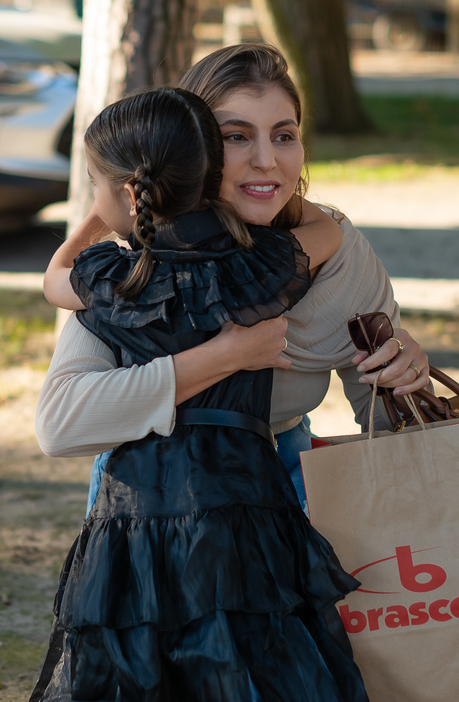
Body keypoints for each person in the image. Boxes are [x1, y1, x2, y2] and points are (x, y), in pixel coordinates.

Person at [30, 87, 368, 701]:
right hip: (246, 498)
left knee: (141, 658)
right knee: (257, 653)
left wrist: (105, 219)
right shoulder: (261, 269)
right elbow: (329, 232)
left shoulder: (117, 279)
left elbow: (56, 279)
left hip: (140, 511)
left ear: (130, 193)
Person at [36, 43, 431, 513]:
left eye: (284, 136)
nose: (267, 160)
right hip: (153, 499)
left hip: (290, 482)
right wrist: (222, 357)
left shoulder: (336, 248)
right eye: (237, 136)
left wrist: (408, 375)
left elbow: (390, 423)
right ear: (190, 148)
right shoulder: (141, 264)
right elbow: (62, 423)